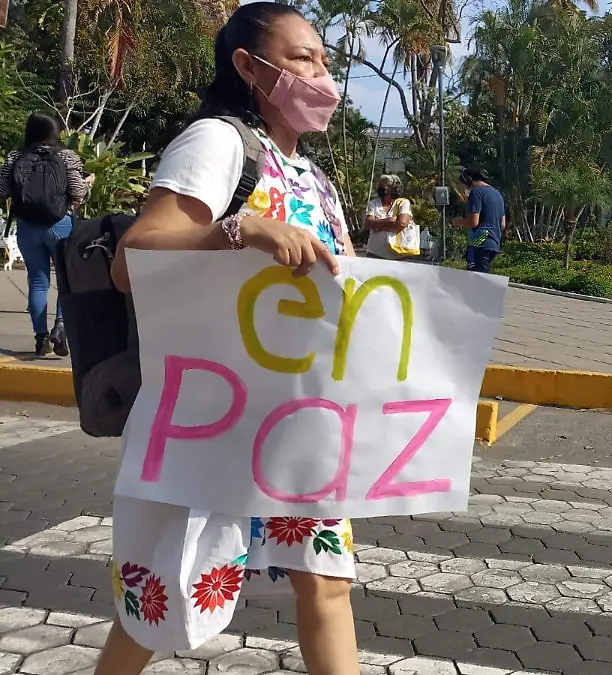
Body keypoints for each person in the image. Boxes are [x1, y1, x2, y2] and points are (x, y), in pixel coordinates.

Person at [100, 4, 358, 673]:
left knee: (327, 582)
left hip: (297, 424)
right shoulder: (218, 144)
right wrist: (241, 229)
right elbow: (133, 259)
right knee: (160, 599)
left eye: (324, 60)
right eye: (303, 57)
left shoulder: (317, 180)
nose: (321, 74)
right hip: (212, 421)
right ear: (248, 66)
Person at [0, 112, 92, 356]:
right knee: (66, 280)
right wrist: (88, 185)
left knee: (38, 282)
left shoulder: (15, 157)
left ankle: (41, 339)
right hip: (60, 225)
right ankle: (60, 327)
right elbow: (78, 193)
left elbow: (1, 191)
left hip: (28, 228)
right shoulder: (66, 156)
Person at [452, 166, 504, 272]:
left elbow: (473, 222)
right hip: (493, 244)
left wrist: (459, 222)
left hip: (480, 245)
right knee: (479, 279)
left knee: (478, 282)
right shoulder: (497, 194)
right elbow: (502, 224)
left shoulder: (476, 192)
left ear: (468, 180)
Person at [363, 174, 415, 259]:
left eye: (385, 187)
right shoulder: (373, 203)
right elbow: (368, 224)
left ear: (394, 189)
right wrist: (389, 220)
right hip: (374, 254)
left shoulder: (403, 203)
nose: (382, 190)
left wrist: (378, 226)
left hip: (399, 256)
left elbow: (401, 224)